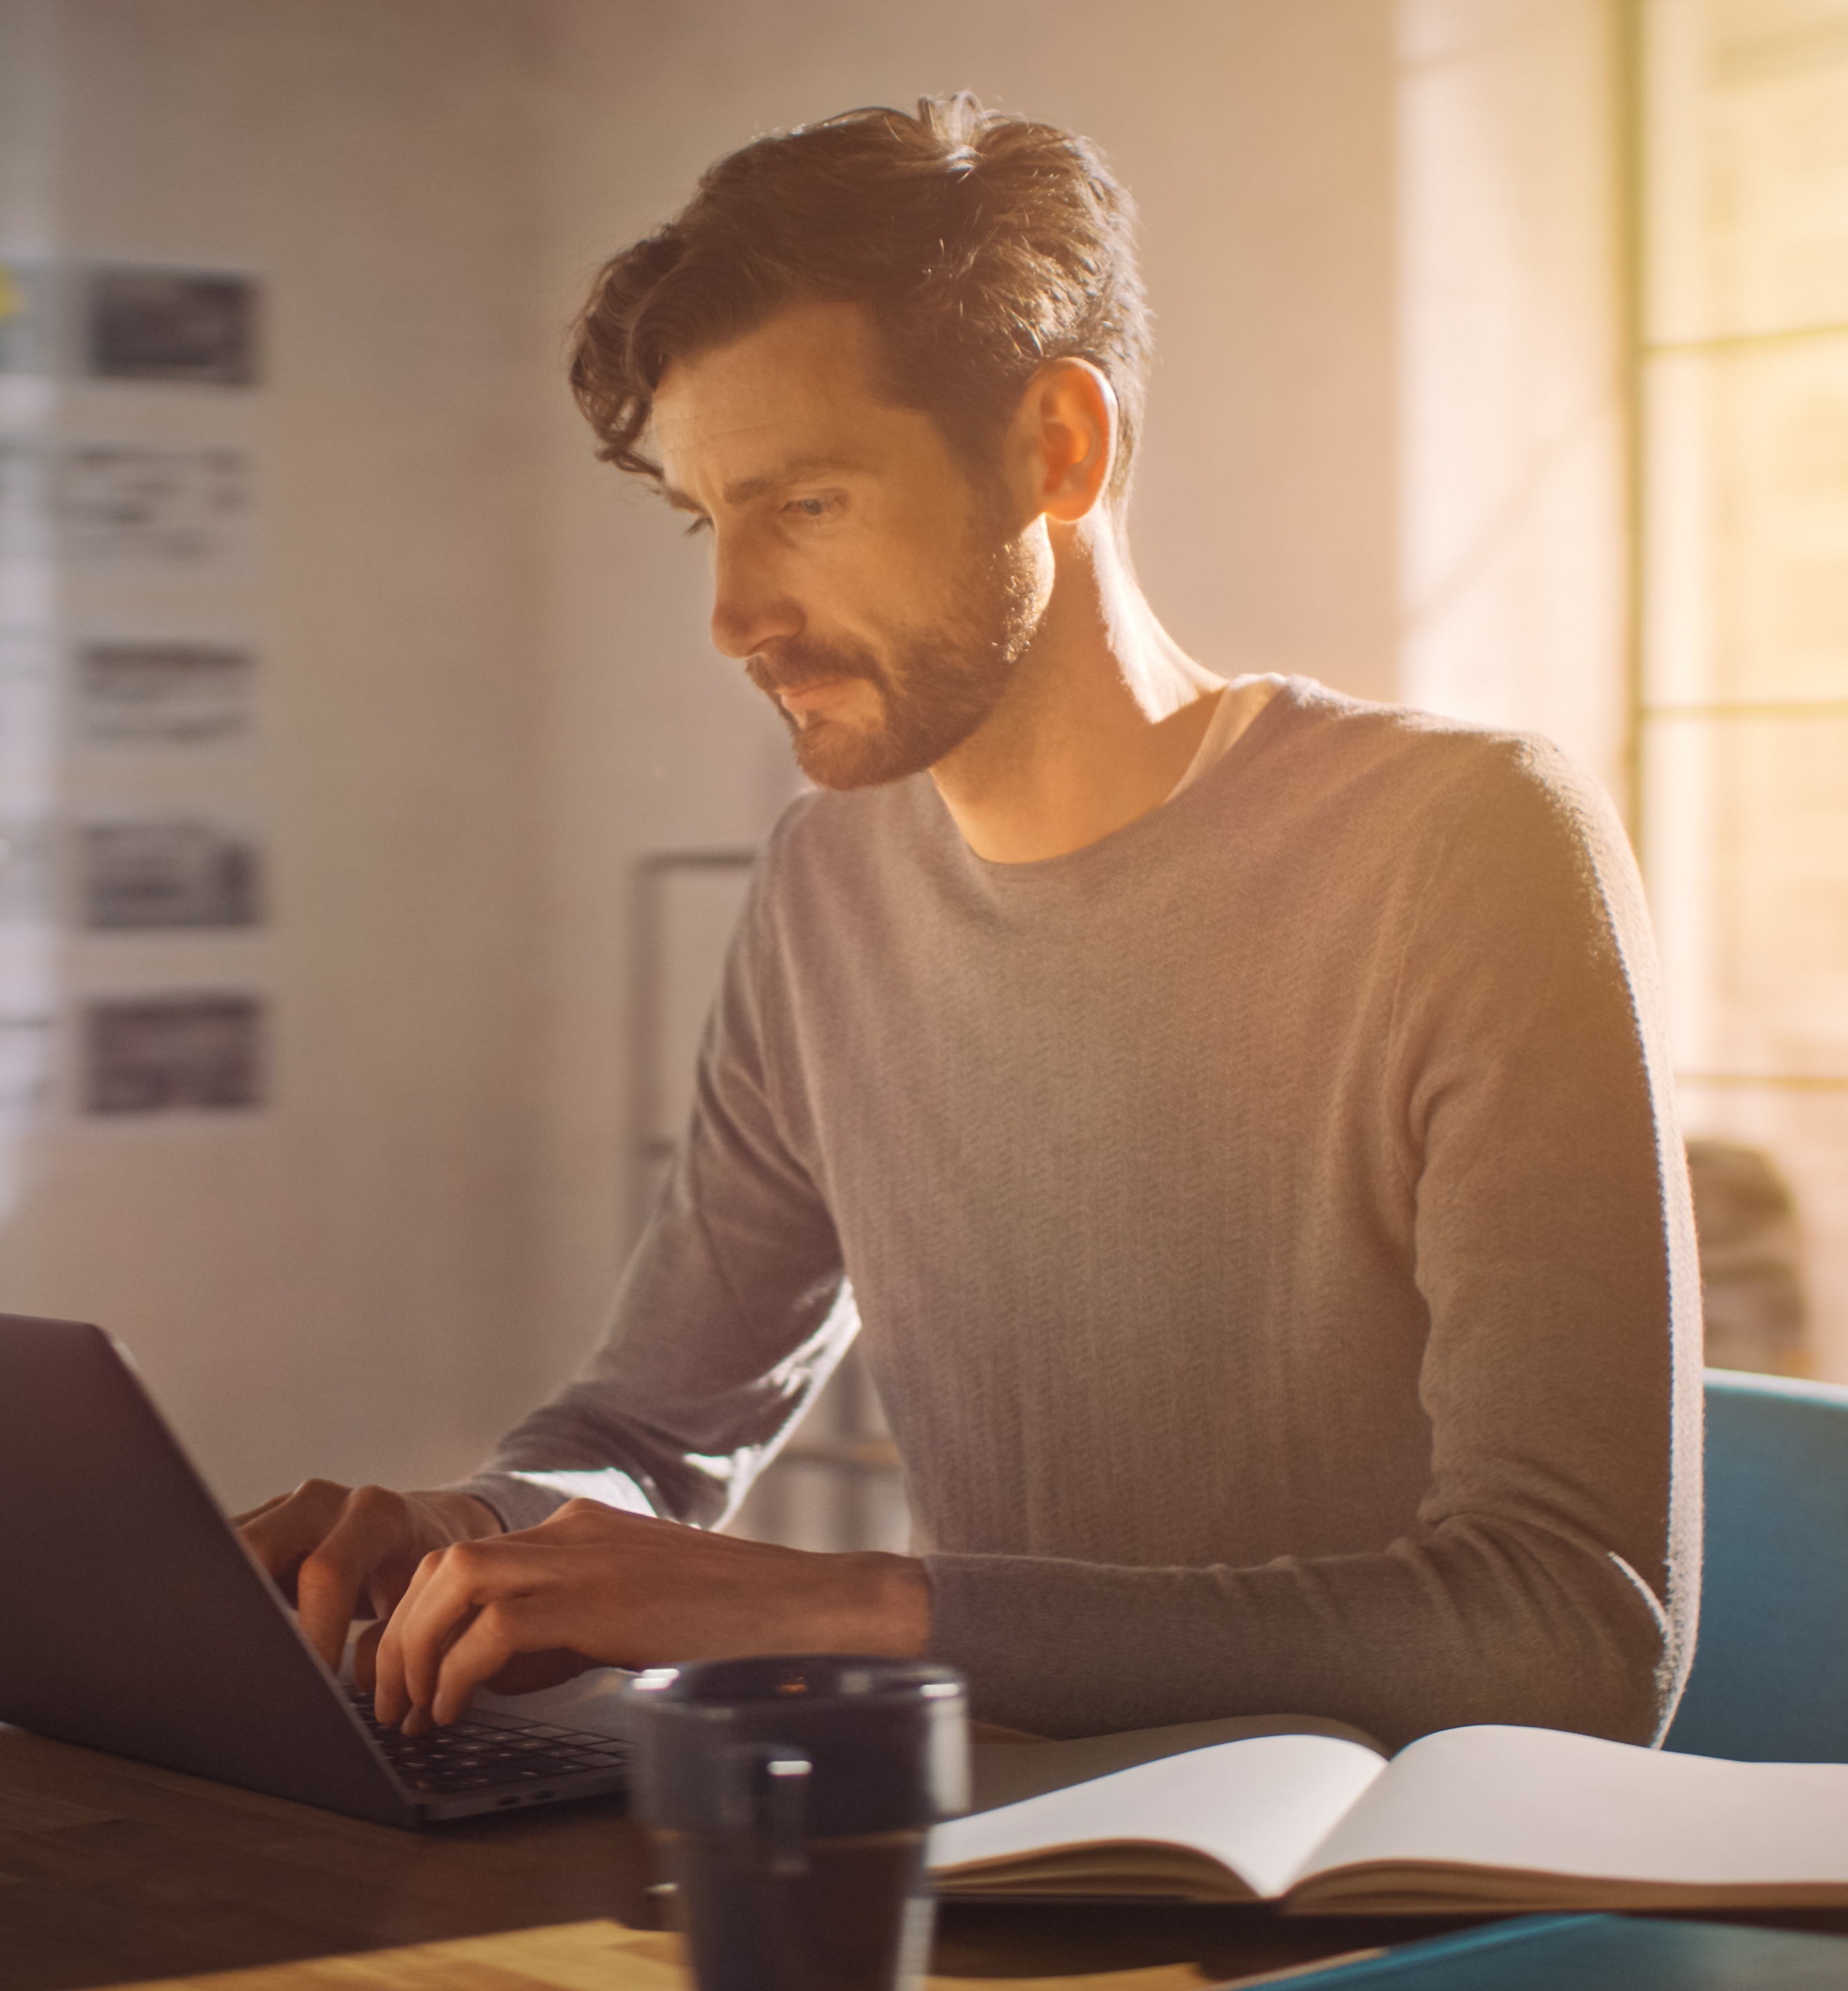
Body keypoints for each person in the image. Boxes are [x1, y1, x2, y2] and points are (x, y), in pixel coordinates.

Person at [238, 95, 1699, 1749]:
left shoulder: (1470, 843)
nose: (732, 617)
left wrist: (847, 1610)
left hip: (1376, 1902)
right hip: (1003, 1864)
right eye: (707, 520)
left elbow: (1575, 1636)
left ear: (1056, 451)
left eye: (807, 505)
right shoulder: (825, 887)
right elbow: (648, 1426)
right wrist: (477, 1542)